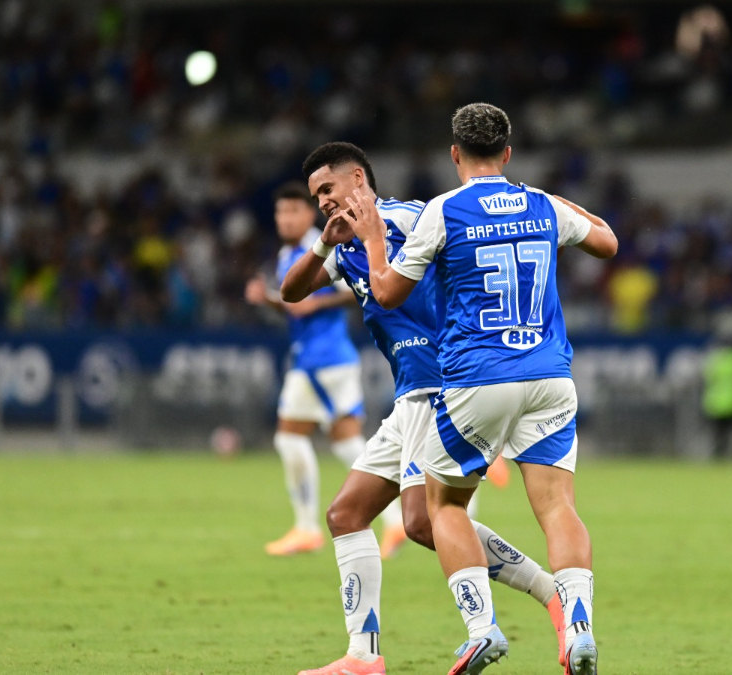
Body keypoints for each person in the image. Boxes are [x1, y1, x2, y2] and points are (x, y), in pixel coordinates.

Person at [344, 103, 617, 675]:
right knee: (557, 506)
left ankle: (481, 628)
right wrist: (553, 203)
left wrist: (372, 239)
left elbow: (388, 293)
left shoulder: (444, 211)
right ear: (509, 153)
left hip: (479, 379)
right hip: (550, 376)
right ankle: (580, 626)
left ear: (454, 154)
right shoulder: (542, 205)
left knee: (441, 505)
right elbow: (607, 243)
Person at [280, 142, 563, 675]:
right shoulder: (342, 246)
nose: (321, 201)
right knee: (346, 515)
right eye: (316, 195)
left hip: (445, 386)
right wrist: (323, 244)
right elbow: (291, 292)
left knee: (422, 520)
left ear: (357, 179)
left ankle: (548, 594)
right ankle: (363, 657)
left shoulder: (410, 219)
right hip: (408, 397)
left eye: (327, 190)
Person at [244, 182, 374, 556]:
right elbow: (293, 305)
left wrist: (316, 306)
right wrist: (268, 300)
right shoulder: (290, 253)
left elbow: (359, 286)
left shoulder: (328, 243)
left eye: (293, 212)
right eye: (280, 213)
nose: (285, 219)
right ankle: (396, 521)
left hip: (325, 358)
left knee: (295, 438)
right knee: (346, 442)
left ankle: (307, 528)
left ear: (308, 213)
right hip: (316, 359)